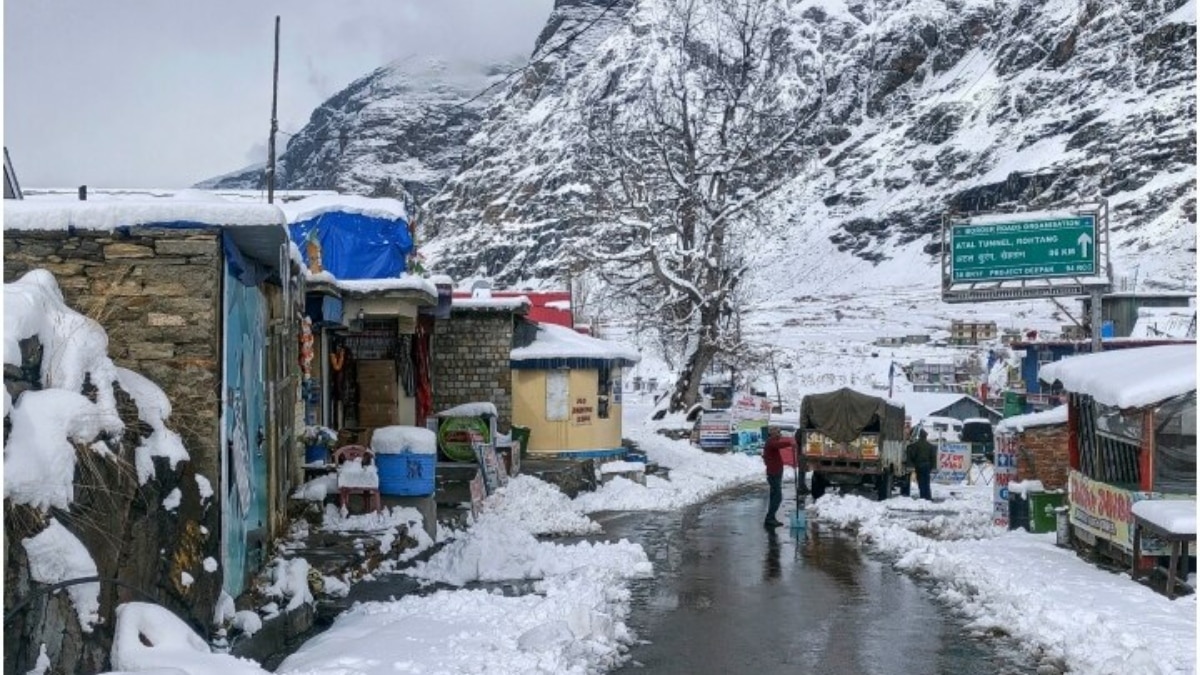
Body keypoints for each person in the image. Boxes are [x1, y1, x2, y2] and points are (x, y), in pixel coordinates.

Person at [762, 426, 793, 527]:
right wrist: (789, 443)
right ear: (773, 433)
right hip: (774, 473)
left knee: (774, 496)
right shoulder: (771, 442)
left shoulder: (771, 442)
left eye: (780, 432)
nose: (780, 434)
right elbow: (778, 445)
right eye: (778, 432)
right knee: (777, 497)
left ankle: (771, 517)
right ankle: (770, 518)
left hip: (775, 472)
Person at [905, 428, 937, 501]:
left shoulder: (915, 445)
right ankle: (928, 496)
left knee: (921, 482)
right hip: (927, 466)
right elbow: (933, 457)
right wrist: (932, 467)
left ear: (919, 436)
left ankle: (922, 496)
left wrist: (912, 463)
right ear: (925, 436)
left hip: (919, 465)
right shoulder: (930, 446)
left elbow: (912, 455)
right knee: (927, 482)